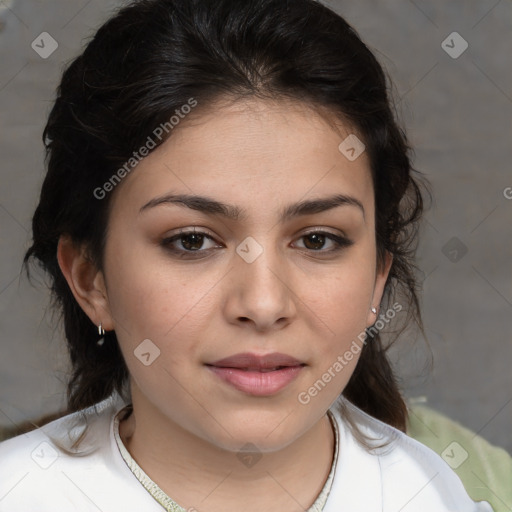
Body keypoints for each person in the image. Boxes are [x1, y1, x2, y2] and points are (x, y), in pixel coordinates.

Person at [0, 0, 495, 510]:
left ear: (376, 278)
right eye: (192, 240)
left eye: (317, 239)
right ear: (90, 279)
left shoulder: (438, 492)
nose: (262, 304)